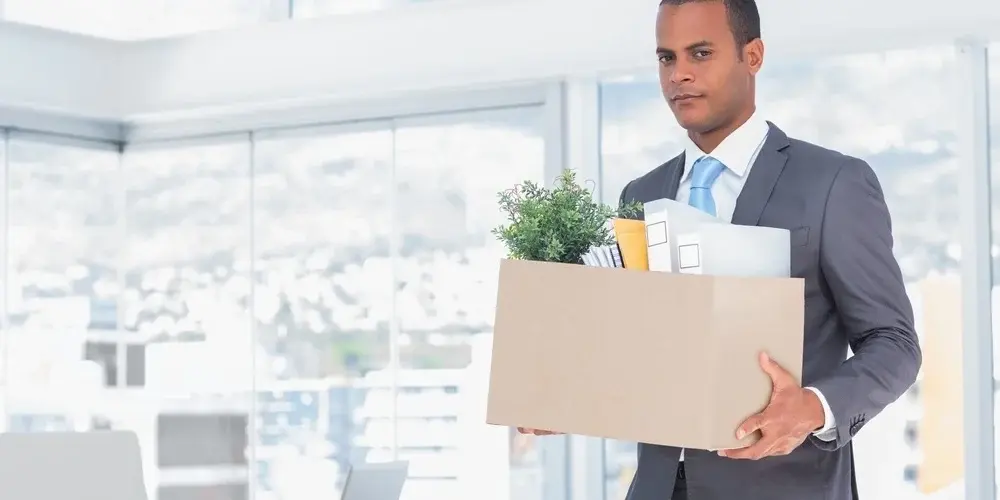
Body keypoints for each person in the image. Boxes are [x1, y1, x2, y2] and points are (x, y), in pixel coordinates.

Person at [517, 0, 922, 499]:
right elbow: (633, 349)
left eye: (700, 53)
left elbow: (894, 343)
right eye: (667, 58)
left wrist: (814, 407)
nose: (679, 75)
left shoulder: (833, 183)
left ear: (753, 56)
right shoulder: (639, 196)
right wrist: (566, 393)